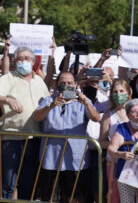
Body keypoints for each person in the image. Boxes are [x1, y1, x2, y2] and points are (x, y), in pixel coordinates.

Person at [0, 46, 50, 199]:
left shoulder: (39, 81)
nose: (23, 61)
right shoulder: (8, 78)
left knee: (28, 185)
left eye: (27, 58)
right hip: (12, 139)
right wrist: (7, 99)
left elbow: (48, 104)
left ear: (34, 62)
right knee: (9, 185)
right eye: (19, 59)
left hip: (34, 139)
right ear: (14, 61)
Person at [33, 72, 100, 203]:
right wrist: (52, 105)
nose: (66, 86)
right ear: (57, 85)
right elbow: (37, 117)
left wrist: (86, 102)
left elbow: (96, 118)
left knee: (74, 198)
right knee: (51, 198)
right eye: (63, 83)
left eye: (69, 83)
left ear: (75, 85)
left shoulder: (83, 101)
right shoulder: (48, 100)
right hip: (51, 158)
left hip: (75, 159)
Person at [99, 79, 132, 203]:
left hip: (134, 162)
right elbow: (101, 142)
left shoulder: (136, 112)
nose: (118, 94)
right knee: (115, 196)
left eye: (121, 91)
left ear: (128, 93)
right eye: (115, 92)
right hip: (114, 162)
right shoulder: (109, 115)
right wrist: (118, 143)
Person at [107, 98, 138, 203]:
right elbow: (111, 148)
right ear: (128, 115)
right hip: (126, 174)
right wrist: (120, 154)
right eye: (134, 112)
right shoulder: (123, 128)